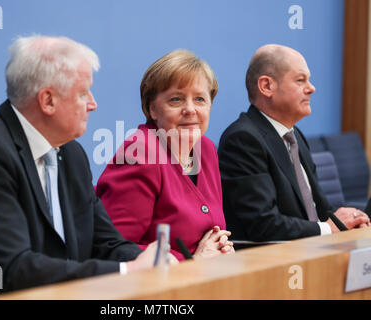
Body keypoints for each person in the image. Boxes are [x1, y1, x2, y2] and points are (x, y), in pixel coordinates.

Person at [0, 35, 162, 299]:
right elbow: (14, 269)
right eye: (83, 93)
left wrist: (151, 263)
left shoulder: (71, 153)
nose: (93, 104)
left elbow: (106, 242)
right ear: (48, 101)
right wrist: (126, 271)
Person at [217, 44, 370, 242]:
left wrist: (350, 221)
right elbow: (263, 224)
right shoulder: (242, 140)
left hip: (311, 252)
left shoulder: (294, 135)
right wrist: (328, 228)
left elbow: (318, 210)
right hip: (271, 262)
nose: (312, 88)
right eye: (300, 80)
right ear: (266, 86)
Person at [96, 50, 234, 261]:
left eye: (199, 99)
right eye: (176, 100)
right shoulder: (140, 154)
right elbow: (112, 248)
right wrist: (190, 262)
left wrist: (221, 248)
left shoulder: (205, 149)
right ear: (153, 109)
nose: (190, 109)